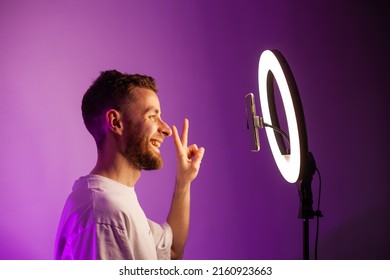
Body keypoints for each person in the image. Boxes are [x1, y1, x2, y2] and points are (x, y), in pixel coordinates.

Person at [54, 70, 205, 260]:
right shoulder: (104, 214)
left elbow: (172, 252)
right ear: (115, 122)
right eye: (152, 116)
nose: (166, 129)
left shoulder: (115, 200)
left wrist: (184, 182)